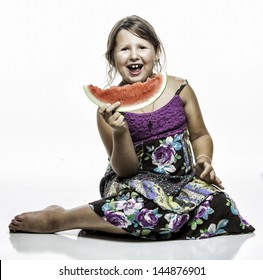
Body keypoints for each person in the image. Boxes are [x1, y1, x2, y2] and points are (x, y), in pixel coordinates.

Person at [9, 15, 254, 240]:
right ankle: (61, 218)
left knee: (222, 205)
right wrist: (119, 130)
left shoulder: (181, 89)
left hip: (182, 183)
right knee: (138, 209)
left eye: (142, 47)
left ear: (157, 52)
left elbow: (200, 134)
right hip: (133, 187)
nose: (134, 55)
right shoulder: (108, 108)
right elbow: (125, 170)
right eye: (124, 49)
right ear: (112, 58)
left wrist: (204, 160)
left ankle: (151, 221)